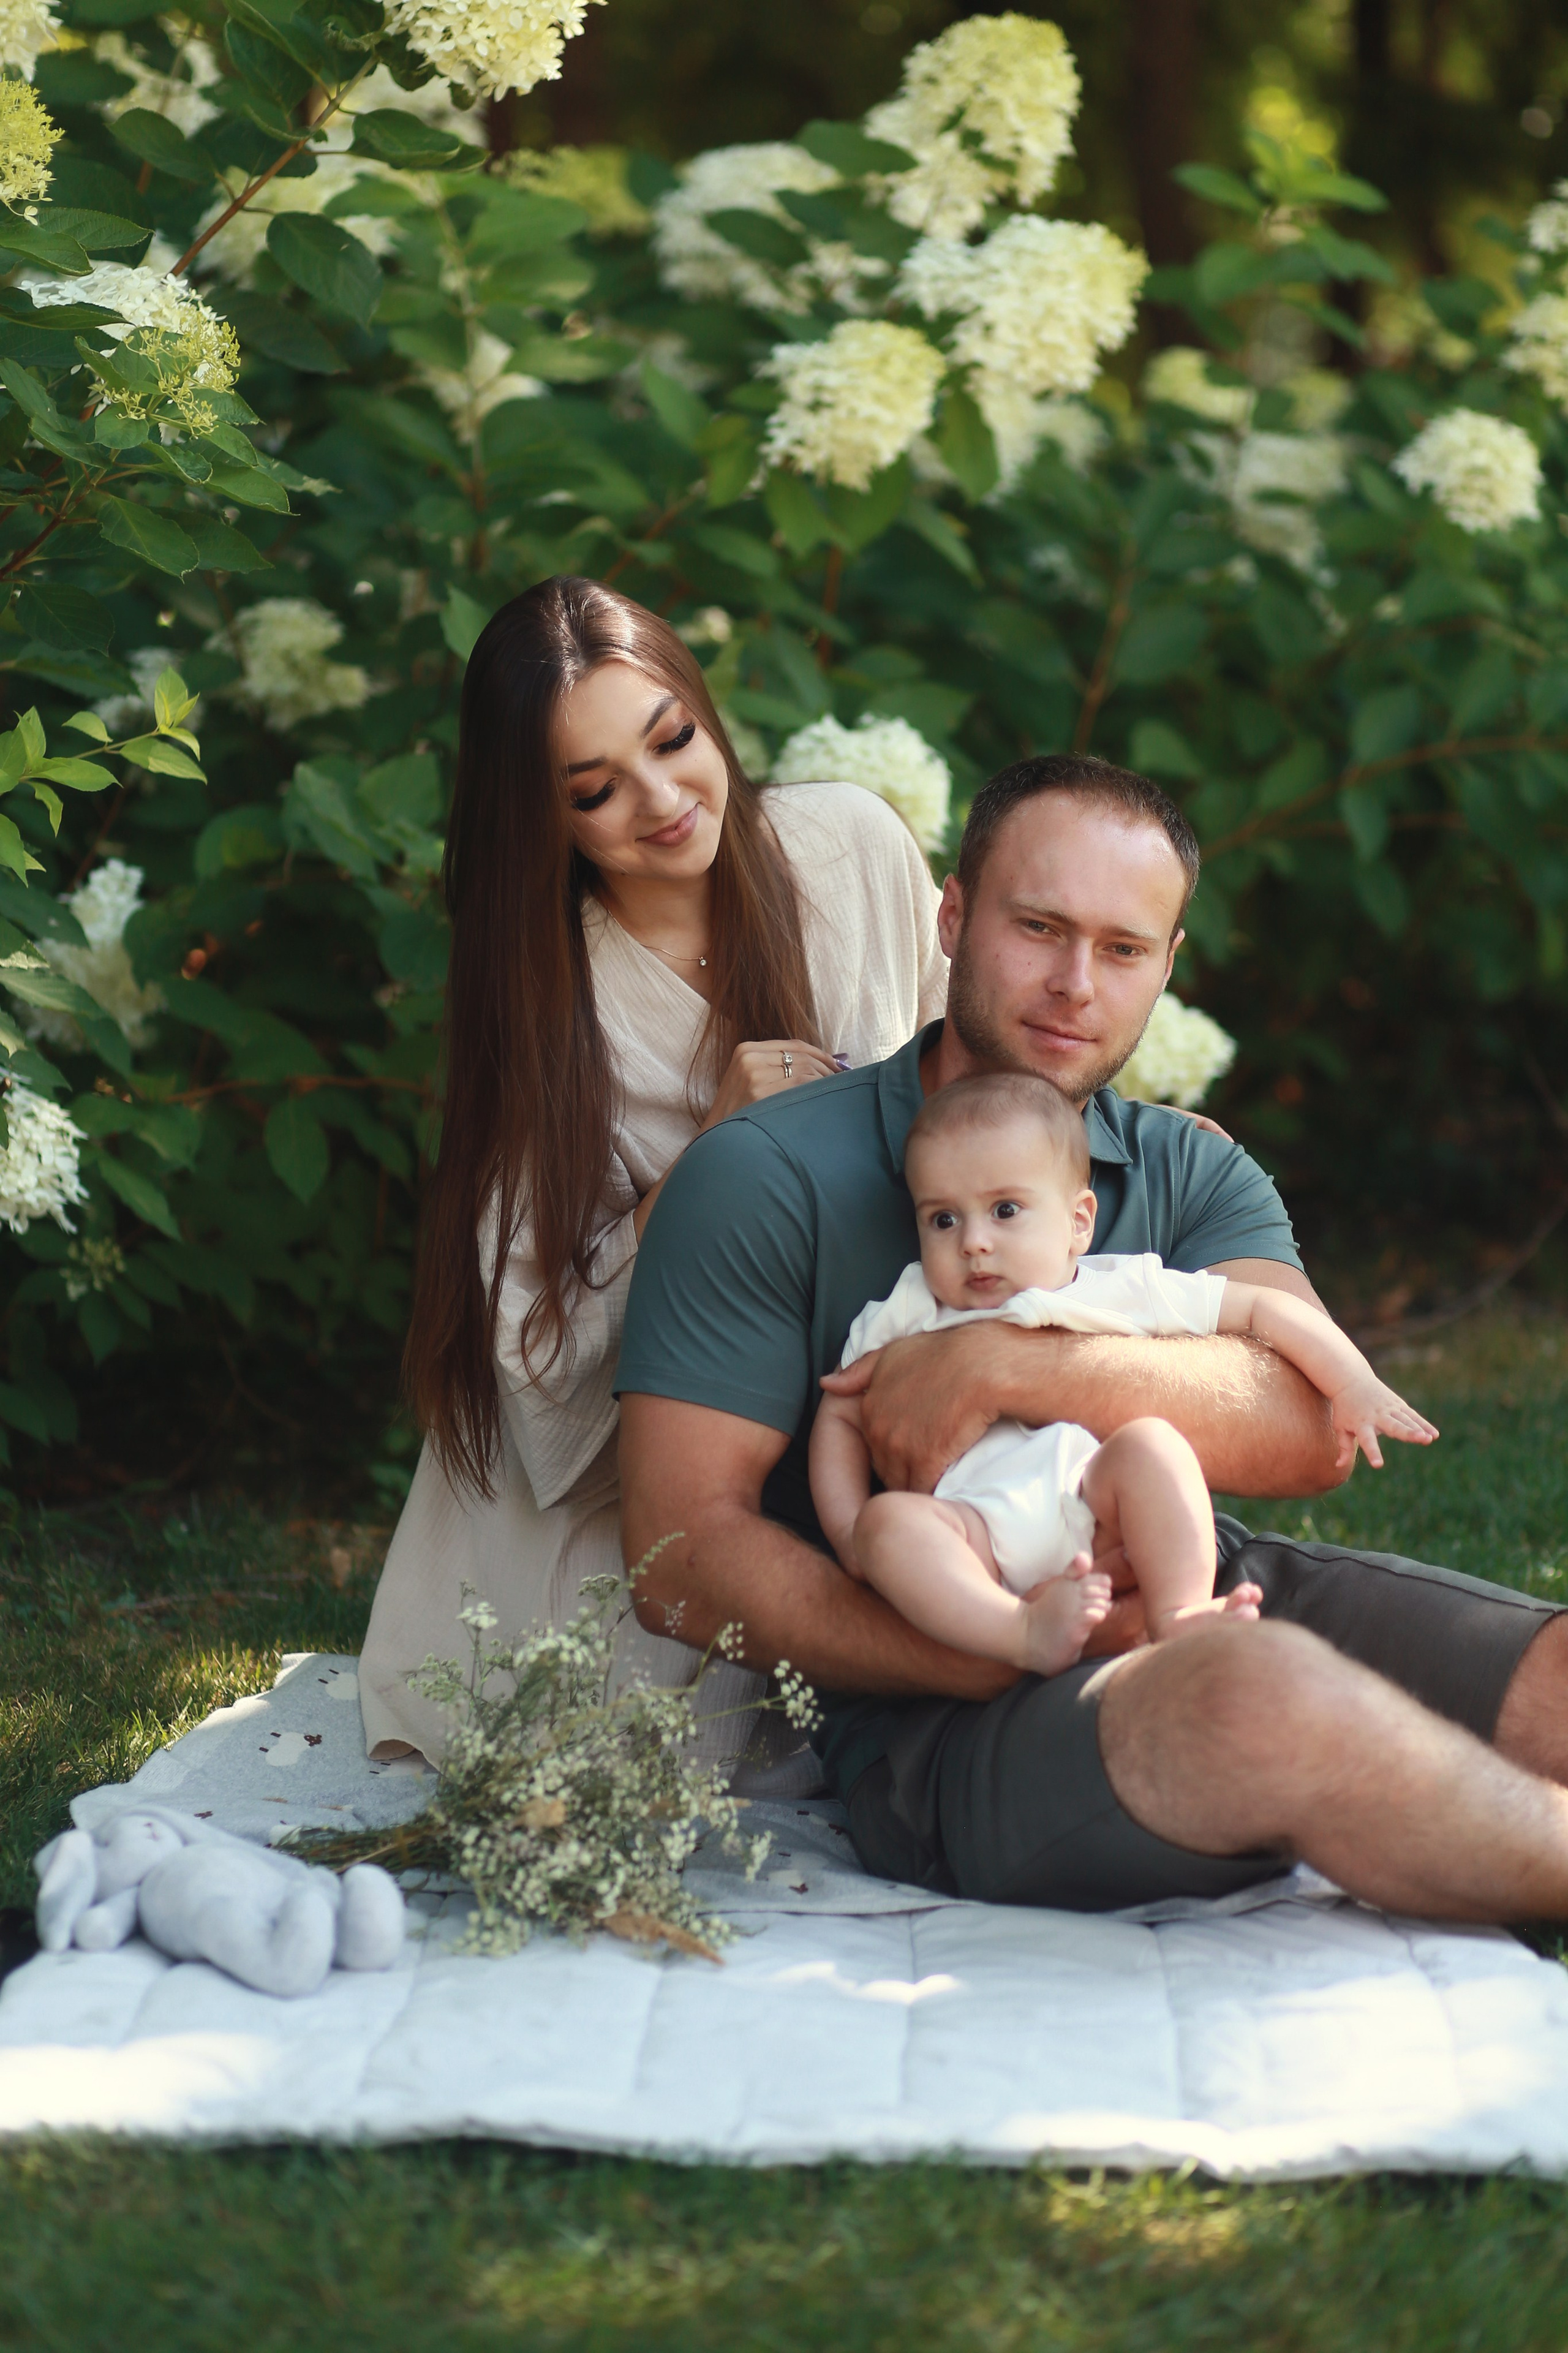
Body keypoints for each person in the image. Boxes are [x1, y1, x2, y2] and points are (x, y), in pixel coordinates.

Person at [616, 751, 1568, 1922]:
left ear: (1168, 965)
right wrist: (980, 1645)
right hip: (944, 1701)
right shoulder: (767, 1174)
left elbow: (1308, 1422)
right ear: (953, 919)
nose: (1077, 983)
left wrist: (1012, 1359)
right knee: (1261, 1698)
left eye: (1123, 950)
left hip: (1195, 1583)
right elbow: (678, 1548)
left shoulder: (1190, 1164)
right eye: (1039, 927)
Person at [360, 576, 947, 1769]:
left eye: (671, 739)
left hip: (878, 1386)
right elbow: (537, 1371)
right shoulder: (546, 1006)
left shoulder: (851, 846)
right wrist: (711, 1159)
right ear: (547, 821)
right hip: (640, 1460)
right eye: (596, 791)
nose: (663, 800)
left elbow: (966, 1104)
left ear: (701, 708)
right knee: (649, 1735)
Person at [810, 1067, 1436, 1677]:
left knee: (1154, 1444)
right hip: (970, 1533)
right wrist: (850, 1532)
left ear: (1077, 1222)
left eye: (1004, 1210)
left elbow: (1261, 1307)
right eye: (943, 1219)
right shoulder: (912, 1306)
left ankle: (1179, 1611)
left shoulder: (1121, 1287)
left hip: (1097, 1503)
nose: (973, 1241)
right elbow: (841, 1407)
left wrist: (1350, 1382)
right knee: (891, 1525)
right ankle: (1019, 1632)